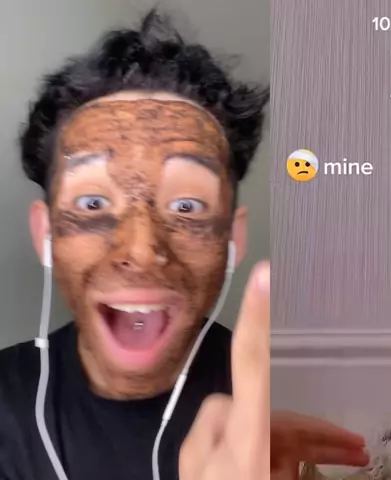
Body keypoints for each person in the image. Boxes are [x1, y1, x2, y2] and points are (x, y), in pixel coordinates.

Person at [0, 10, 369, 480]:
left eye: (187, 206)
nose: (141, 249)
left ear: (232, 238)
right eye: (93, 203)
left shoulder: (275, 406)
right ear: (46, 234)